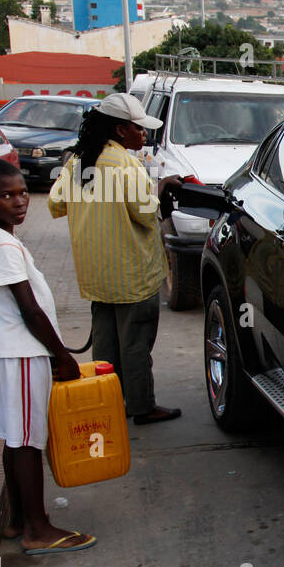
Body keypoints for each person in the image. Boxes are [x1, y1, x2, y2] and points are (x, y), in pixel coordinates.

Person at [0, 159, 96, 555]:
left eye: (22, 193)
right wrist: (61, 355)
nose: (19, 202)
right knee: (27, 440)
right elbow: (29, 309)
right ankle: (38, 530)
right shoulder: (0, 243)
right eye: (6, 196)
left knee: (15, 437)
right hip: (22, 351)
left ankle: (19, 520)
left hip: (12, 352)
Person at [49, 93, 184, 422]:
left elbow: (56, 205)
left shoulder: (82, 160)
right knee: (135, 345)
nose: (145, 135)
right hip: (131, 275)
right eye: (140, 129)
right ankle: (142, 407)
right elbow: (144, 213)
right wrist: (163, 189)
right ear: (122, 130)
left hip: (96, 275)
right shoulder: (124, 163)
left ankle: (107, 404)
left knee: (106, 348)